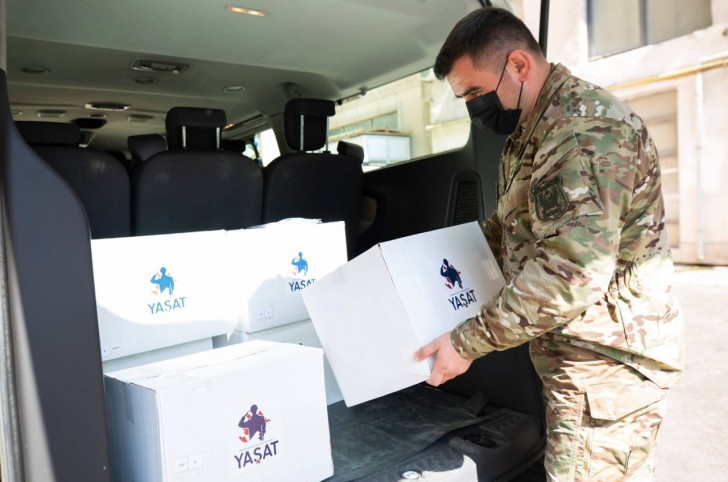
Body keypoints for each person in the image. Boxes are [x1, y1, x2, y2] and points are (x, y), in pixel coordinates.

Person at [415, 7, 684, 481]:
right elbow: (509, 229)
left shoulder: (581, 134)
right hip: (579, 357)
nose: (473, 108)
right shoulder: (534, 128)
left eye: (475, 92)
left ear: (518, 65)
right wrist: (426, 269)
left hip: (605, 367)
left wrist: (465, 343)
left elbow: (571, 272)